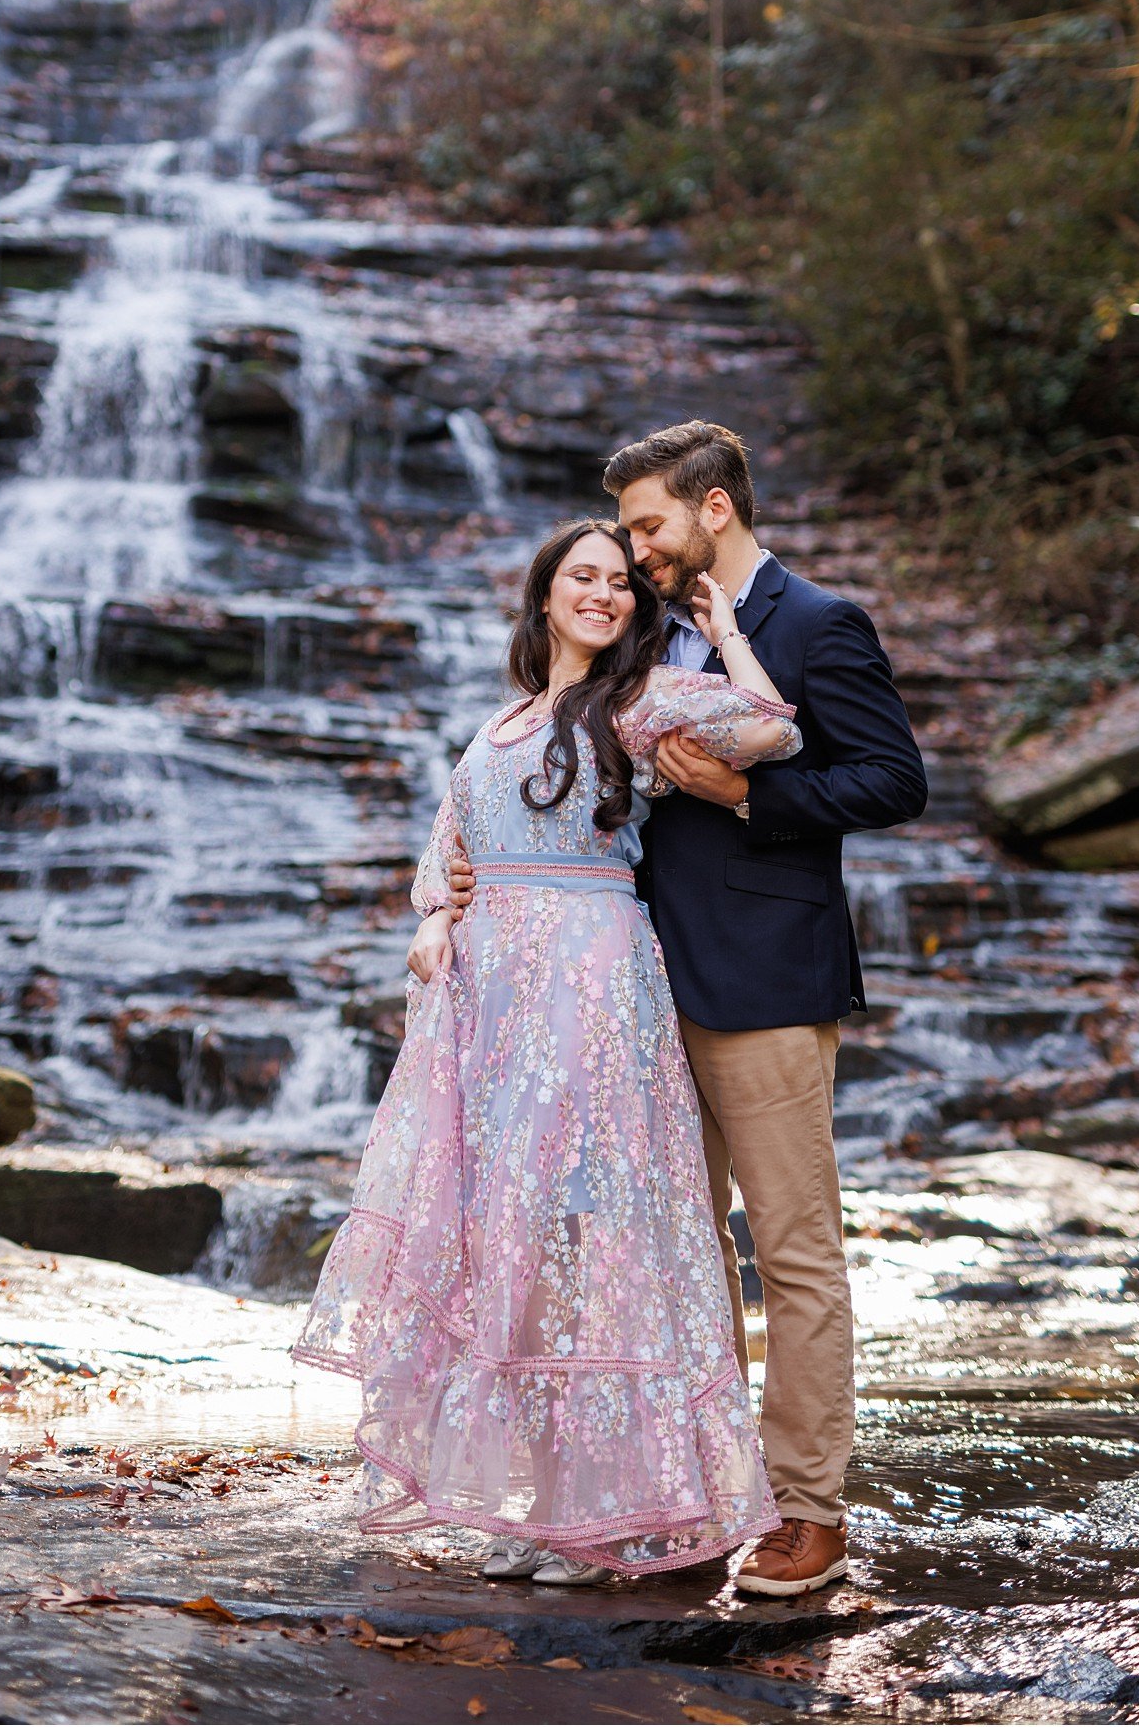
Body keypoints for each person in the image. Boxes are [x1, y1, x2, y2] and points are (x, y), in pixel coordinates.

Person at [452, 424, 929, 1596]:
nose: (635, 550)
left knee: (795, 1252)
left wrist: (750, 797)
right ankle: (696, 1494)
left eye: (651, 526)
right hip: (629, 989)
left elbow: (892, 780)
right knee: (667, 1251)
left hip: (762, 981)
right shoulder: (646, 633)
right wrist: (477, 877)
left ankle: (808, 1510)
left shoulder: (818, 624)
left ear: (714, 510)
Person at [293, 517, 803, 1581]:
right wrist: (434, 924)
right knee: (513, 1242)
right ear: (543, 597)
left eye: (621, 583)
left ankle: (619, 1512)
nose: (605, 594)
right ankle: (545, 1504)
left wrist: (719, 629)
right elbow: (448, 853)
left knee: (591, 1240)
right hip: (494, 1002)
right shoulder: (503, 722)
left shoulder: (634, 703)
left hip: (591, 984)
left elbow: (767, 732)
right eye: (583, 576)